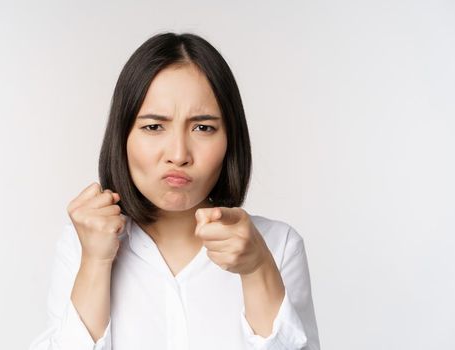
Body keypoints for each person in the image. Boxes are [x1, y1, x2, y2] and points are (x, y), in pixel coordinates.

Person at [30, 32, 320, 349]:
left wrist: (258, 269)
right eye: (154, 127)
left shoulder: (278, 246)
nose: (179, 154)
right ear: (122, 135)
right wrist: (96, 262)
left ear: (230, 140)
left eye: (203, 127)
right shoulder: (79, 247)